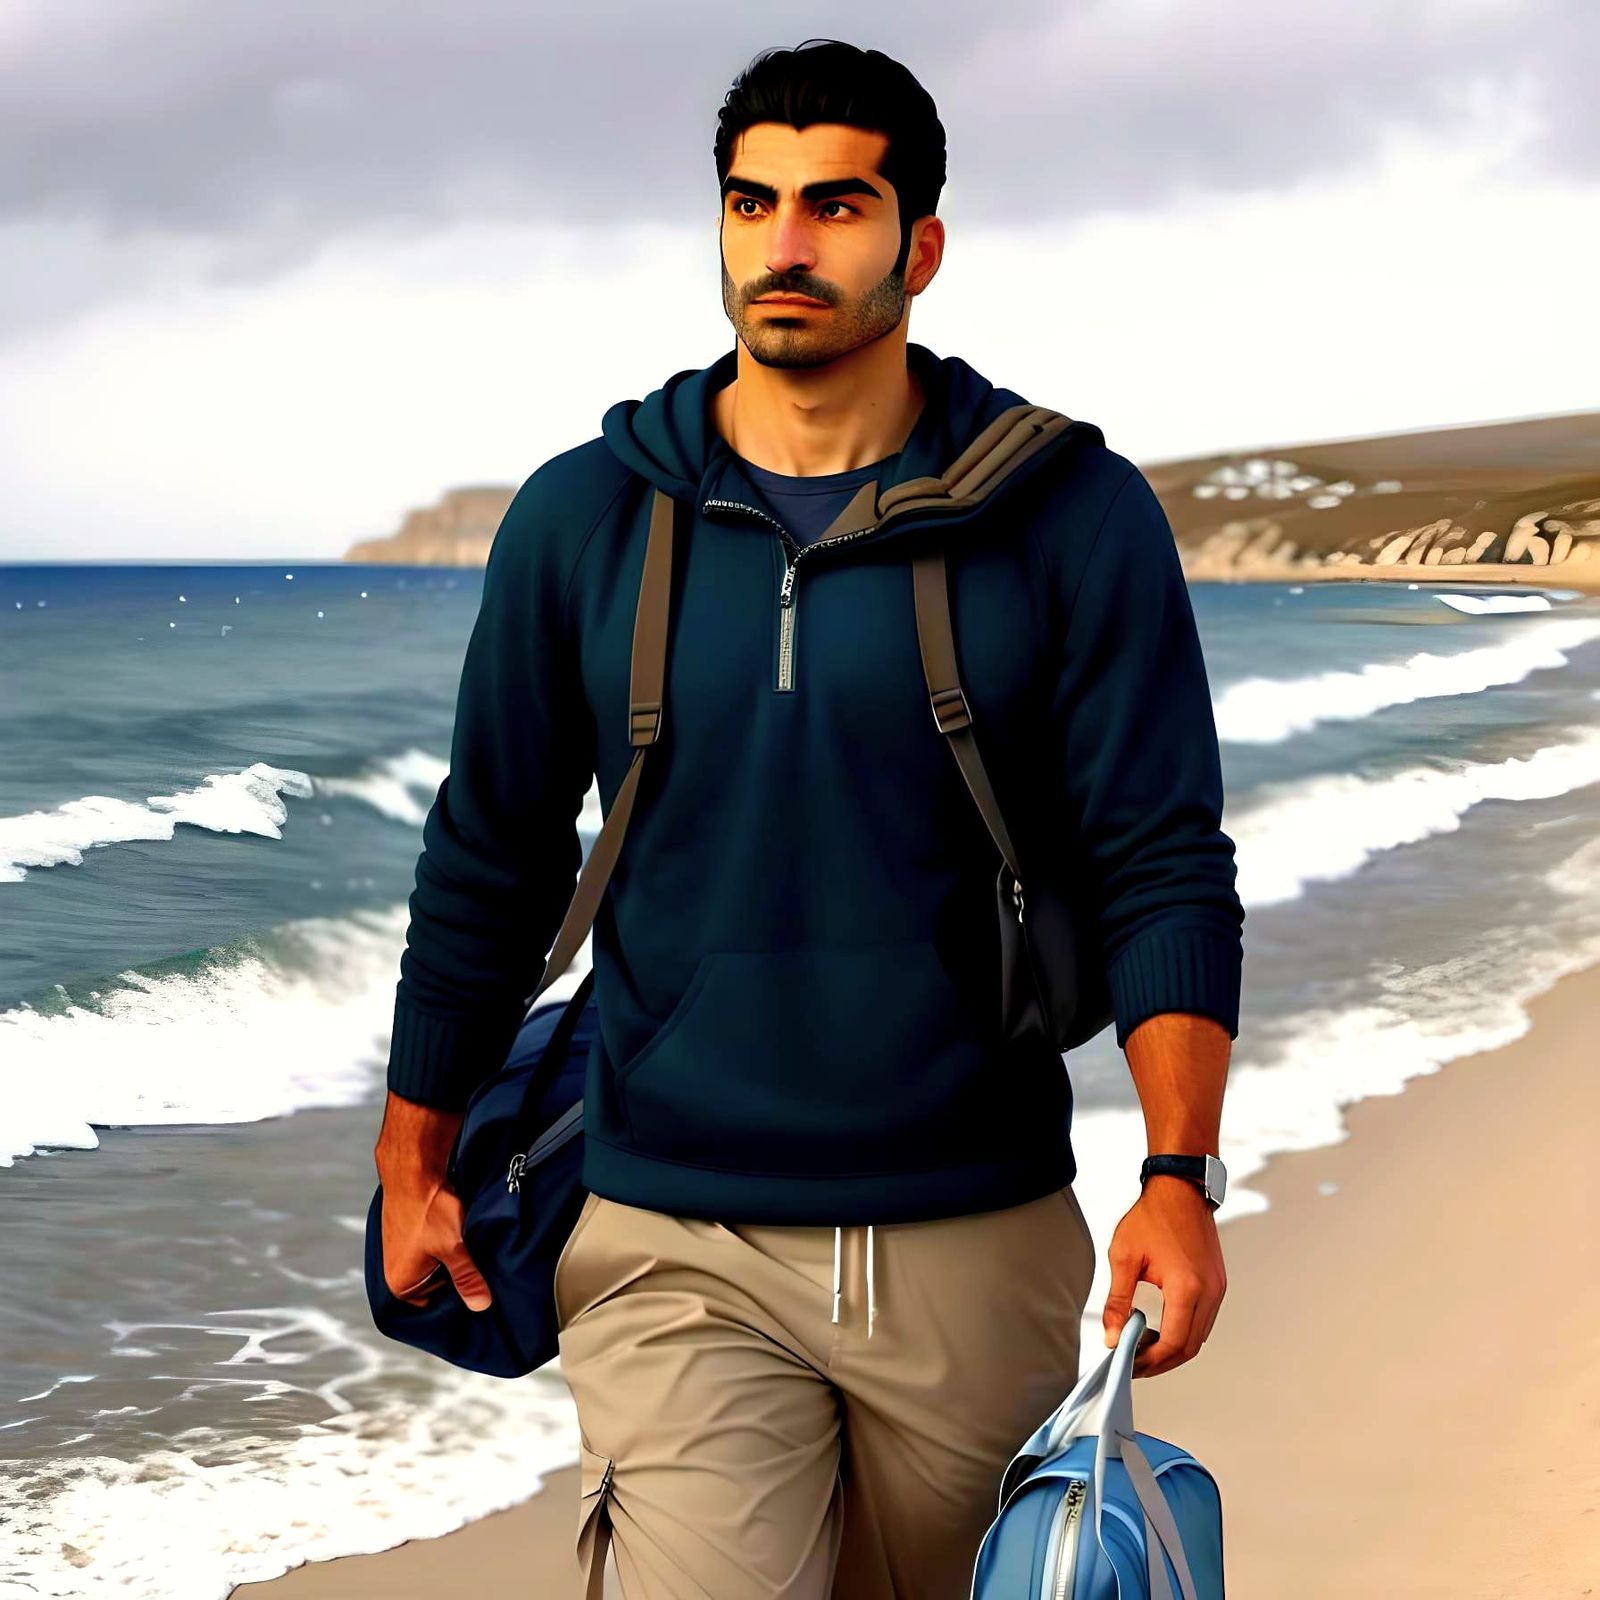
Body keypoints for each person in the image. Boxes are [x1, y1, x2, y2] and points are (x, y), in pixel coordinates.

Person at [372, 37, 1244, 1600]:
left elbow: (1161, 859)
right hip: (669, 1229)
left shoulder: (1068, 512)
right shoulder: (585, 516)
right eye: (750, 202)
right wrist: (411, 1152)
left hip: (976, 1226)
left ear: (920, 245)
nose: (783, 245)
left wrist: (1178, 1175)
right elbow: (491, 850)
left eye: (834, 206)